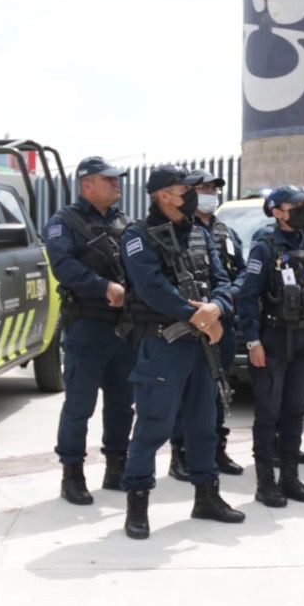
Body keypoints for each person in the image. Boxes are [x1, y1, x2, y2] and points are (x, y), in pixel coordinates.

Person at [118, 166, 245, 539]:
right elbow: (152, 288)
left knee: (203, 425)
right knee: (153, 427)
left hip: (202, 346)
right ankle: (137, 505)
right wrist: (201, 316)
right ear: (163, 196)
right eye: (185, 189)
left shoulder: (201, 233)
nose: (193, 194)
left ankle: (207, 497)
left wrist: (217, 308)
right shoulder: (137, 237)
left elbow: (223, 280)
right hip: (163, 345)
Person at [45, 156, 134, 505]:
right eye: (109, 179)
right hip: (87, 325)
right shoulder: (64, 222)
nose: (117, 184)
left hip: (123, 329)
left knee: (122, 404)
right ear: (87, 185)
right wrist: (103, 287)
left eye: (117, 179)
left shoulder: (124, 222)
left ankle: (116, 468)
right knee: (80, 406)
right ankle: (72, 475)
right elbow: (63, 266)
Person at [238, 186, 304, 506]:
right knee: (268, 413)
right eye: (297, 205)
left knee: (294, 412)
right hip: (273, 339)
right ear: (277, 211)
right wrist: (253, 341)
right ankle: (266, 484)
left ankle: (290, 479)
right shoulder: (264, 248)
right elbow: (248, 297)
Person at [169, 170, 245, 481]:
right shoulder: (179, 230)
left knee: (218, 389)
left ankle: (216, 448)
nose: (210, 192)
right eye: (203, 187)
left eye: (214, 187)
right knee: (186, 392)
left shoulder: (226, 232)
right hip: (191, 323)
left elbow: (239, 273)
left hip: (222, 321)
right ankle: (180, 454)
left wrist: (227, 298)